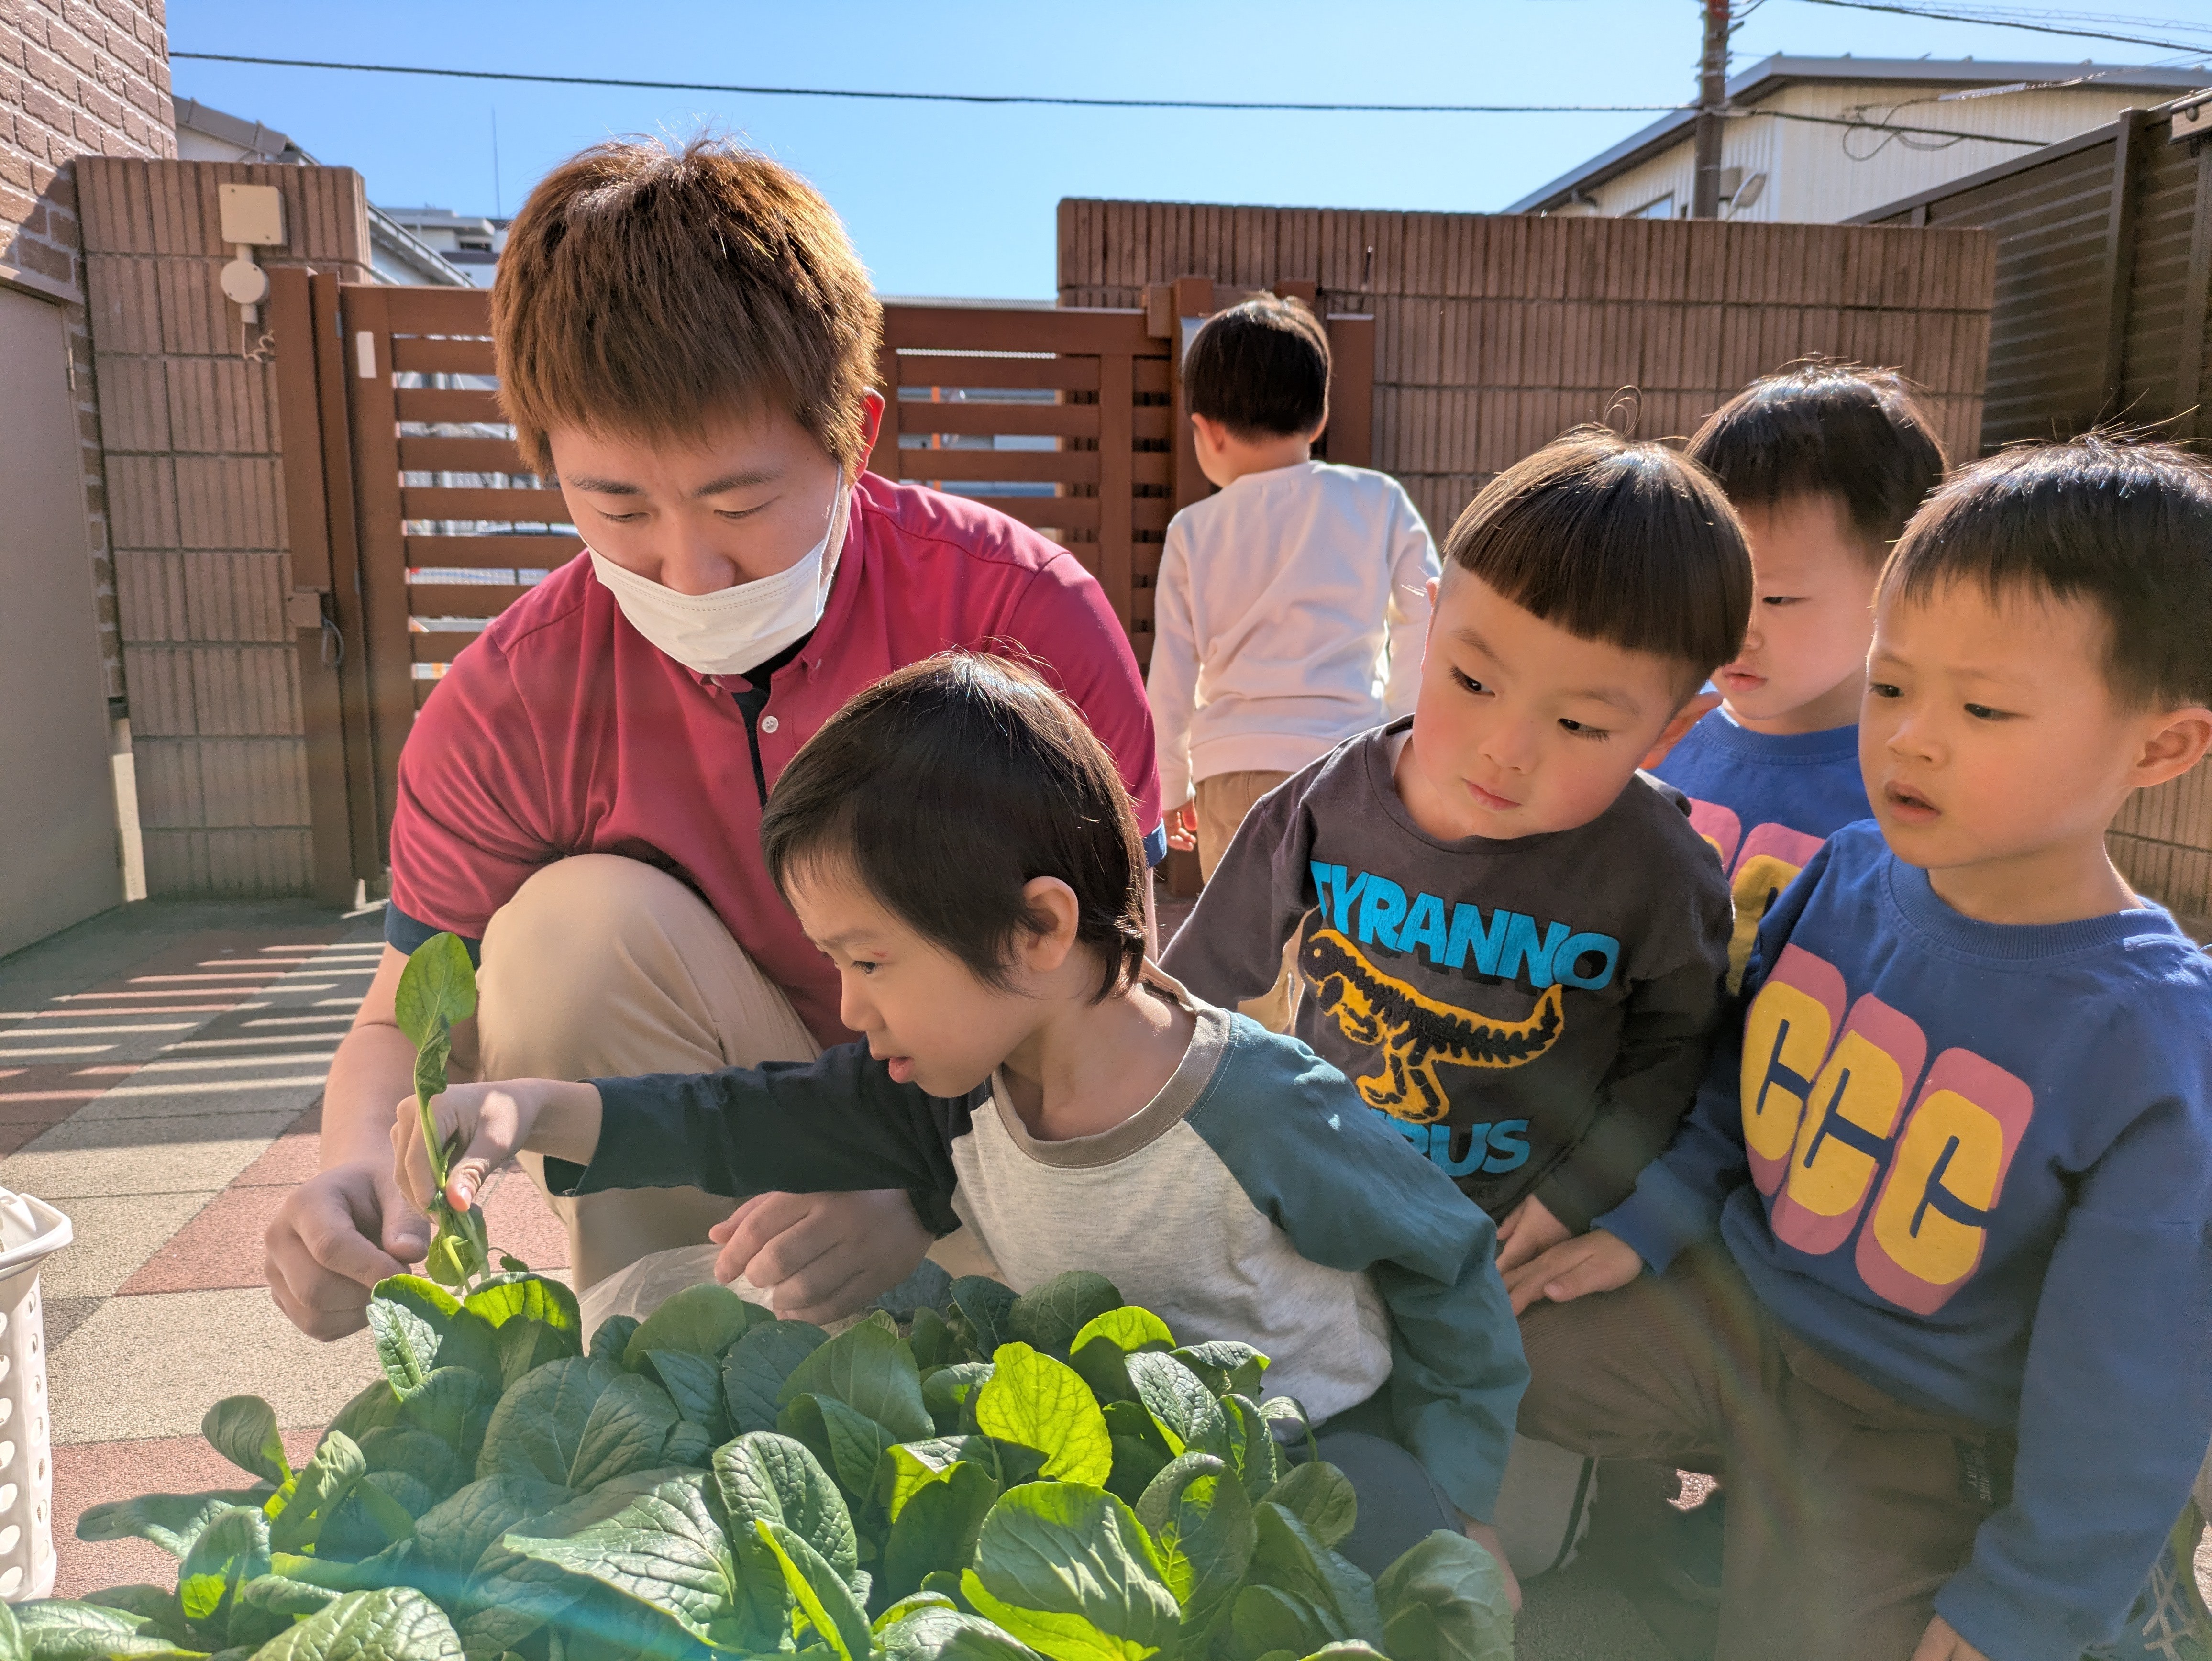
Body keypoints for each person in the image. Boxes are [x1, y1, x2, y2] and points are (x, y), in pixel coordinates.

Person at [264, 137, 1164, 1340]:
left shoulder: (1018, 613)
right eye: (616, 505)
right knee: (561, 932)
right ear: (545, 464)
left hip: (998, 1122)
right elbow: (407, 1018)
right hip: (715, 1132)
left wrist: (915, 1184)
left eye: (741, 502)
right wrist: (354, 1172)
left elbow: (1126, 978)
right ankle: (672, 1350)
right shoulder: (511, 698)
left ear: (855, 432)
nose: (687, 568)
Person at [393, 652, 1529, 1594]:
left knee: (1386, 1562)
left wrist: (1460, 1492)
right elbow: (738, 1117)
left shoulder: (1265, 1107)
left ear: (1039, 927)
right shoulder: (949, 1086)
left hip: (1319, 1440)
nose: (847, 1005)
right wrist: (533, 1105)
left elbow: (1445, 1256)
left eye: (870, 958)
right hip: (1123, 1455)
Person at [1504, 435, 2212, 1661]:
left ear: (2159, 748)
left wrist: (2030, 1599)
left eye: (1982, 707)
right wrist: (1642, 1223)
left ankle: (2124, 1608)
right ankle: (1720, 1534)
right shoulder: (1844, 869)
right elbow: (1733, 1096)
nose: (1910, 740)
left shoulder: (2150, 1033)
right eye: (1891, 687)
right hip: (1739, 1312)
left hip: (1917, 1420)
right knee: (1495, 1348)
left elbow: (2132, 1380)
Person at [1162, 428, 1742, 1273]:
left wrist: (1575, 1198)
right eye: (1472, 682)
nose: (1505, 749)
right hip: (1323, 1188)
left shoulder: (1665, 874)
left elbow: (1671, 1059)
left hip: (1506, 1238)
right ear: (1426, 631)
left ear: (1671, 731)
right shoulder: (1329, 800)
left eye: (1580, 724)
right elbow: (1200, 984)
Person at [1146, 296, 1438, 1028]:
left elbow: (1173, 671)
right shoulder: (1377, 501)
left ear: (1204, 433)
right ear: (1318, 417)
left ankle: (1256, 1090)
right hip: (1348, 762)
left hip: (1230, 772)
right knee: (1347, 951)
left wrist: (1171, 783)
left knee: (1248, 954)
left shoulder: (1193, 532)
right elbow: (1427, 617)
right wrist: (1406, 736)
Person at [1654, 362, 1948, 986]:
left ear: (1901, 586)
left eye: (1779, 599)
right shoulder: (1655, 727)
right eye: (1717, 588)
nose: (1737, 629)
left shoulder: (1914, 791)